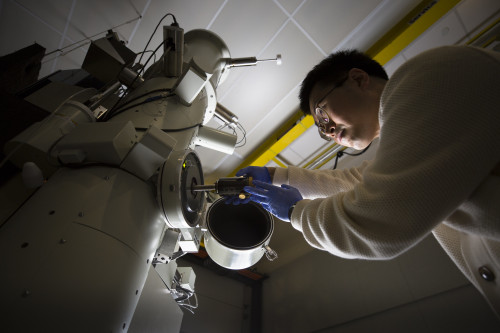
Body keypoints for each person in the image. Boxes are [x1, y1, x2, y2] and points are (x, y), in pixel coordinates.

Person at [228, 46, 500, 317]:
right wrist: (276, 177)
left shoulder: (426, 76)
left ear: (358, 79)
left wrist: (294, 211)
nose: (329, 131)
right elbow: (356, 181)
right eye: (321, 129)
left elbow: (380, 215)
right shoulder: (412, 135)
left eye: (322, 114)